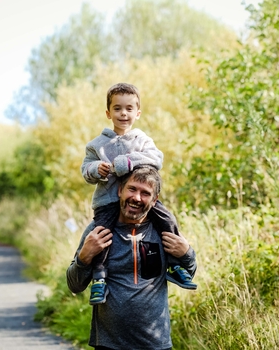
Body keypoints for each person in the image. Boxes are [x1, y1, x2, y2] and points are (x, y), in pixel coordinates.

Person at [81, 82, 196, 305]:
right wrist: (96, 169)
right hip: (108, 201)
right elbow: (85, 170)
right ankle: (99, 278)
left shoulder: (141, 140)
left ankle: (174, 264)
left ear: (138, 113)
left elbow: (156, 159)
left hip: (142, 201)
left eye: (129, 108)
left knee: (167, 220)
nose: (123, 113)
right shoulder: (97, 145)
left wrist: (128, 162)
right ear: (108, 113)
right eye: (117, 108)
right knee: (103, 235)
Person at [67, 166, 197, 349]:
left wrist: (187, 253)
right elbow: (75, 285)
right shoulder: (98, 231)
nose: (136, 198)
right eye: (132, 189)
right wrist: (84, 257)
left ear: (154, 200)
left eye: (145, 193)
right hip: (108, 344)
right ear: (120, 190)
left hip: (156, 344)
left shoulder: (163, 231)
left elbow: (189, 273)